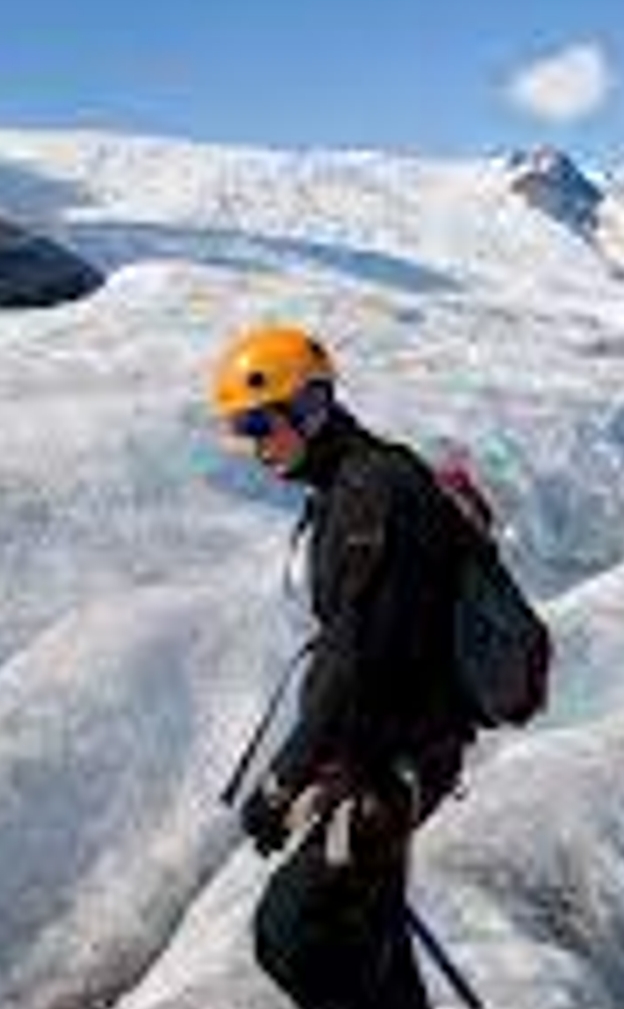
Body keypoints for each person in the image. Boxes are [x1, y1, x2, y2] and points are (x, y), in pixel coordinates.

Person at [212, 325, 480, 1009]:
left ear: (310, 407)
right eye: (242, 430)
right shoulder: (360, 482)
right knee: (369, 929)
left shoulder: (366, 496)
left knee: (290, 931)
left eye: (259, 425)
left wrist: (282, 782)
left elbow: (351, 659)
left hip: (395, 761)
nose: (252, 447)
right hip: (401, 748)